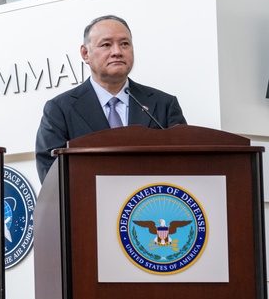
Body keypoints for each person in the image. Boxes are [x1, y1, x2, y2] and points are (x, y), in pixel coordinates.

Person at [34, 15, 186, 182]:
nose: (117, 52)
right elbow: (52, 176)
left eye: (124, 44)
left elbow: (186, 165)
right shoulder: (60, 109)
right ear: (85, 54)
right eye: (106, 45)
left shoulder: (163, 104)